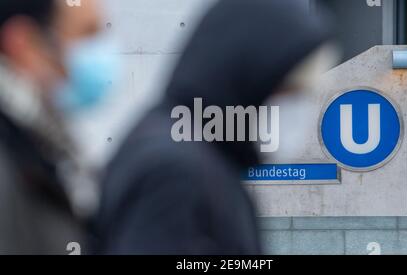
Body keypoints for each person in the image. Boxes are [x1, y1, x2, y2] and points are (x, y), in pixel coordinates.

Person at [93, 0, 333, 255]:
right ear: (248, 72)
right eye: (288, 91)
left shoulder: (195, 153)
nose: (295, 107)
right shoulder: (175, 171)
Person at [0, 0, 118, 254]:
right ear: (24, 44)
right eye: (88, 34)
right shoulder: (14, 160)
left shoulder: (39, 144)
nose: (104, 50)